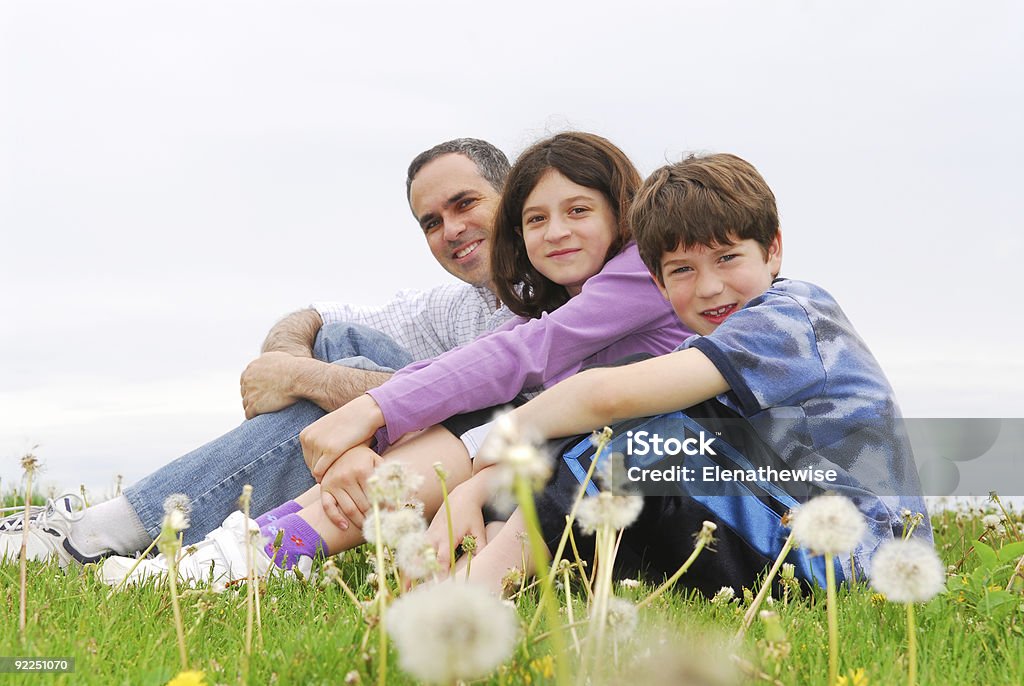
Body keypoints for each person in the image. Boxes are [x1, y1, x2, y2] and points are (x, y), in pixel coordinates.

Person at [96, 131, 693, 584]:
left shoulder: (645, 269)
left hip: (627, 458)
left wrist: (372, 413)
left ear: (622, 210)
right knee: (371, 367)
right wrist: (362, 416)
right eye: (536, 219)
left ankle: (225, 550)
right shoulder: (540, 297)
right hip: (548, 441)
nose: (555, 232)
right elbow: (477, 358)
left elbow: (524, 355)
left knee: (462, 420)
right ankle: (244, 549)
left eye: (578, 211)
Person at [0, 138, 516, 563]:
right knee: (338, 346)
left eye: (465, 204)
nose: (450, 230)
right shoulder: (464, 305)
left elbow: (480, 409)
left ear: (511, 194)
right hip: (424, 457)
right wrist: (288, 364)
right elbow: (316, 316)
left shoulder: (557, 305)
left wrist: (308, 383)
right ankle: (178, 539)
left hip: (486, 471)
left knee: (345, 375)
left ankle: (103, 533)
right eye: (430, 222)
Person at [447, 152, 931, 596]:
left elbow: (606, 398)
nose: (710, 287)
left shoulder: (793, 315)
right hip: (784, 528)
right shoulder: (711, 345)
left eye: (726, 257)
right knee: (610, 444)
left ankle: (474, 590)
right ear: (657, 283)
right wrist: (479, 488)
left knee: (648, 432)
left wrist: (495, 440)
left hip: (858, 555)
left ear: (773, 250)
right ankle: (489, 564)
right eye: (681, 270)